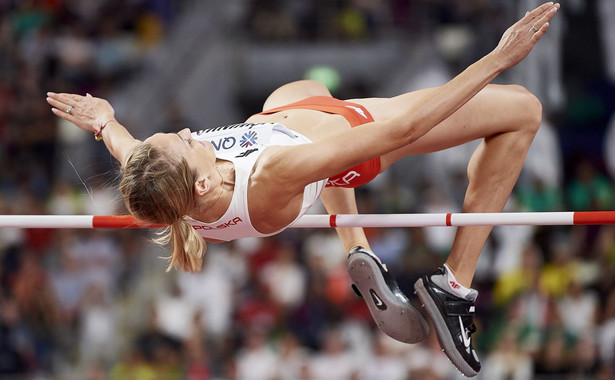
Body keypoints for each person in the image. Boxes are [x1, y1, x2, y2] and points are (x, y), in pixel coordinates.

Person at [46, 3, 560, 377]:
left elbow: (129, 152)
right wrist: (497, 58)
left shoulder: (164, 184)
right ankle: (455, 286)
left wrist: (104, 122)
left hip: (287, 119)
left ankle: (359, 251)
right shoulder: (271, 173)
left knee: (300, 92)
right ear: (202, 180)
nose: (184, 133)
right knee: (521, 109)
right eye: (182, 141)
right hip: (351, 136)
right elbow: (404, 132)